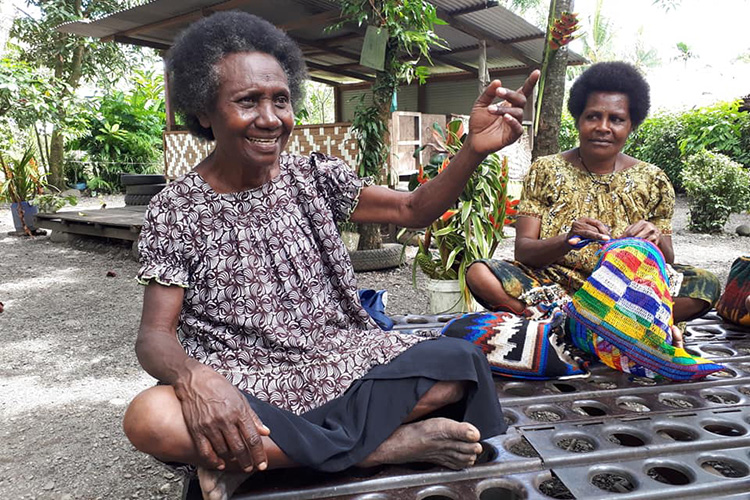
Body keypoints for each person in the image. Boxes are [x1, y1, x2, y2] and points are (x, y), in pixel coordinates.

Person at [121, 10, 539, 500]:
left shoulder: (312, 176)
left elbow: (413, 208)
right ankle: (381, 447)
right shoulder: (177, 208)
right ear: (204, 112)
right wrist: (196, 379)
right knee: (150, 419)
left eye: (280, 100)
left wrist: (472, 149)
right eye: (247, 101)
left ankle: (260, 459)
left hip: (341, 359)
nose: (270, 118)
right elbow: (154, 337)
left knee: (461, 363)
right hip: (243, 378)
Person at [466, 61, 720, 337]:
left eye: (617, 119)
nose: (603, 127)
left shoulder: (653, 179)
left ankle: (577, 324)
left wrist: (655, 239)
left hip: (627, 291)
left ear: (631, 125)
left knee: (705, 285)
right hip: (556, 285)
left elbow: (668, 262)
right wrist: (566, 240)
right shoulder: (546, 170)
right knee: (480, 273)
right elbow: (524, 251)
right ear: (578, 119)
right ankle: (614, 328)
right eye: (593, 116)